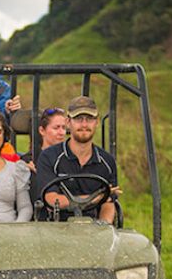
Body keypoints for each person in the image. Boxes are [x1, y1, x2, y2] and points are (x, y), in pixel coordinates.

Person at [33, 96, 120, 224]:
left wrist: (104, 226)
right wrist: (95, 197)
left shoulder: (107, 162)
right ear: (68, 122)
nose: (84, 124)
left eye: (89, 119)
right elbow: (51, 199)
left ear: (97, 122)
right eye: (78, 119)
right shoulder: (49, 157)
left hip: (93, 229)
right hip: (55, 228)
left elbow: (109, 203)